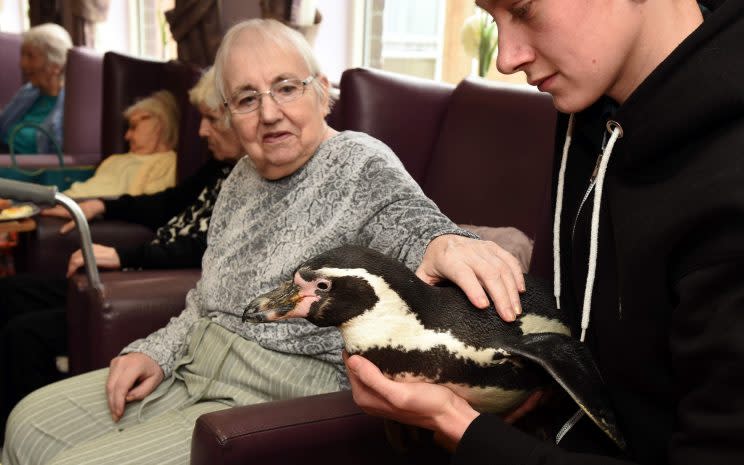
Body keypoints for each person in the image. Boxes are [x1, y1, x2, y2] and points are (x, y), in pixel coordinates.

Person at [1, 19, 524, 465]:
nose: (269, 112)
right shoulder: (241, 178)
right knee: (23, 423)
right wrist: (155, 352)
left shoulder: (359, 161)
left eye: (286, 87)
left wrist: (447, 241)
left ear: (321, 90)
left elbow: (408, 221)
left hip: (270, 397)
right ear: (230, 114)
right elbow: (207, 298)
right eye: (247, 98)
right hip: (194, 369)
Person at [345, 0, 744, 464]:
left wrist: (459, 426)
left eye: (525, 9)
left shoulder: (727, 172)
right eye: (493, 18)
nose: (506, 58)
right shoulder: (591, 102)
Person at [0, 67, 242, 443]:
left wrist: (125, 255)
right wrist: (103, 205)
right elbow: (167, 202)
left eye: (211, 120)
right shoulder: (220, 166)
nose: (200, 132)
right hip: (142, 265)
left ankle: (40, 431)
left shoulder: (252, 182)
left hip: (156, 280)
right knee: (11, 292)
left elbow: (203, 247)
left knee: (24, 334)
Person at [61, 89, 180, 198]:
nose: (127, 136)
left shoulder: (168, 163)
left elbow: (149, 205)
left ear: (158, 125)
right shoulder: (114, 160)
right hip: (67, 203)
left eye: (134, 127)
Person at [0, 23, 72, 154]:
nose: (22, 64)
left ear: (56, 65)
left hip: (29, 169)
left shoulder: (70, 107)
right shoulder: (27, 92)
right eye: (22, 55)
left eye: (30, 56)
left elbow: (58, 156)